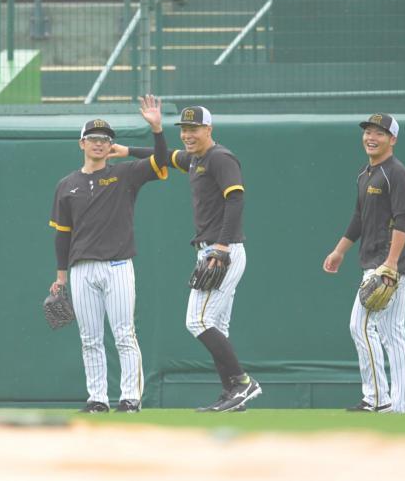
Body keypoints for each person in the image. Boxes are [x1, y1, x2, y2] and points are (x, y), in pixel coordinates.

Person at [112, 105, 260, 412]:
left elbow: (236, 199)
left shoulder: (220, 157)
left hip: (223, 250)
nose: (187, 134)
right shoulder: (195, 159)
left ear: (209, 130)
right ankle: (233, 392)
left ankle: (242, 383)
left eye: (194, 129)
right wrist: (127, 148)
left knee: (198, 321)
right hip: (213, 250)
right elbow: (164, 157)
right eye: (184, 129)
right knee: (217, 324)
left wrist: (221, 247)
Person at [48, 95, 168, 413]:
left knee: (124, 333)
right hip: (82, 269)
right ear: (82, 143)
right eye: (93, 139)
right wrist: (61, 275)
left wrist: (156, 128)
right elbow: (63, 234)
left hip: (117, 265)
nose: (99, 144)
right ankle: (97, 398)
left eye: (105, 140)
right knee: (90, 338)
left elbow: (163, 160)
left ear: (111, 146)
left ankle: (130, 397)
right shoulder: (66, 185)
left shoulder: (126, 174)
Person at [323, 113, 405, 414]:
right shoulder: (366, 174)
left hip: (389, 265)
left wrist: (390, 264)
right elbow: (358, 218)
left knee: (360, 325)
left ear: (393, 139)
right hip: (375, 262)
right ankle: (402, 404)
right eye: (368, 132)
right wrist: (340, 251)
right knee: (391, 333)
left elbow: (403, 219)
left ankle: (379, 398)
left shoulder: (396, 172)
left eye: (379, 132)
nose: (371, 137)